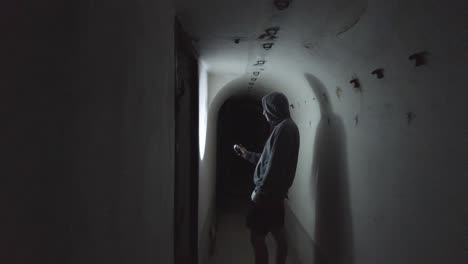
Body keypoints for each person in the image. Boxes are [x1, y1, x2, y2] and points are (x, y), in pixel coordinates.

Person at [234, 92, 300, 264]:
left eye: (265, 109)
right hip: (274, 195)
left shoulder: (284, 129)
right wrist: (246, 154)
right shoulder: (283, 127)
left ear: (273, 109)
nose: (263, 113)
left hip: (268, 195)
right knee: (278, 235)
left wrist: (260, 192)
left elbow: (275, 167)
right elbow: (267, 159)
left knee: (257, 238)